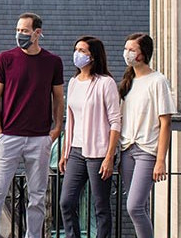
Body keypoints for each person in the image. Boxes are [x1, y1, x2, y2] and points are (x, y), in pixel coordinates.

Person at [0, 12, 65, 238]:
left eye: (25, 31)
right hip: (8, 136)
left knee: (37, 198)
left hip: (39, 138)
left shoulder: (53, 62)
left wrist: (56, 130)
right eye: (18, 30)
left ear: (37, 33)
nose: (20, 35)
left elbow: (58, 97)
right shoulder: (5, 59)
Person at [58, 36, 120, 238]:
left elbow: (115, 122)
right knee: (66, 202)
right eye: (76, 49)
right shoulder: (74, 82)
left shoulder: (105, 83)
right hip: (76, 150)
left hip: (99, 152)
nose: (77, 54)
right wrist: (65, 152)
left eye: (82, 50)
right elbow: (71, 121)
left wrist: (109, 157)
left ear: (93, 56)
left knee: (101, 205)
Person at [117, 33, 176, 238]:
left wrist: (161, 160)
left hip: (146, 151)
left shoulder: (158, 81)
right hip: (127, 149)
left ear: (143, 54)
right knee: (138, 206)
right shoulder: (128, 81)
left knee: (134, 206)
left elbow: (165, 122)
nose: (126, 53)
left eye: (131, 49)